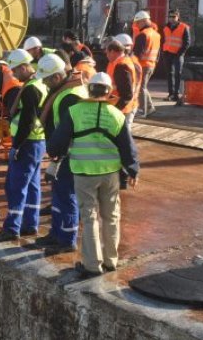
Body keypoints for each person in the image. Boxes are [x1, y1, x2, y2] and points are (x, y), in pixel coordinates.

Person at [47, 72, 139, 277]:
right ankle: (110, 261)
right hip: (110, 174)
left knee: (89, 218)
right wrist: (133, 170)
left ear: (89, 89)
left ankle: (92, 265)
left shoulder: (74, 111)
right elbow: (128, 146)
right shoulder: (117, 115)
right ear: (108, 92)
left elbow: (58, 141)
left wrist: (54, 154)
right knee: (111, 216)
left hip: (84, 172)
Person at [0, 52, 52, 243]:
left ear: (24, 66)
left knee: (16, 186)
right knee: (33, 186)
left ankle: (12, 227)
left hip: (27, 143)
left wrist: (16, 146)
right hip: (38, 142)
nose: (14, 75)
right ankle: (30, 224)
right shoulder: (40, 84)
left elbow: (27, 121)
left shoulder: (31, 89)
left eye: (15, 70)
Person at [32, 54, 89, 254]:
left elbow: (68, 131)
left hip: (70, 154)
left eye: (47, 80)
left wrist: (57, 155)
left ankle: (67, 239)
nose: (45, 84)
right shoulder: (64, 92)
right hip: (62, 153)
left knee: (67, 196)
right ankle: (56, 233)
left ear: (57, 77)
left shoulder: (70, 96)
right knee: (58, 195)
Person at [104, 40, 139, 129]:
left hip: (123, 109)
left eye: (107, 53)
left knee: (122, 136)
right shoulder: (122, 62)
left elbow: (127, 94)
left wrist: (115, 109)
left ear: (112, 52)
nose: (106, 56)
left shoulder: (121, 66)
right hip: (123, 107)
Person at [132, 10, 161, 117]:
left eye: (138, 22)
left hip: (143, 65)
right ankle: (149, 107)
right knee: (144, 87)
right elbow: (158, 52)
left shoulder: (143, 35)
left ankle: (143, 111)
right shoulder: (156, 35)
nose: (137, 25)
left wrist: (132, 64)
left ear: (144, 21)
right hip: (151, 64)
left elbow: (137, 53)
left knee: (140, 87)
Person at [162, 8, 191, 103]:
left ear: (178, 17)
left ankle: (176, 94)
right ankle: (171, 94)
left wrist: (180, 53)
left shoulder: (184, 27)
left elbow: (187, 42)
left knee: (178, 74)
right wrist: (163, 51)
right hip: (167, 53)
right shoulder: (165, 27)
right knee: (170, 74)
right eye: (170, 17)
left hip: (178, 54)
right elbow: (164, 40)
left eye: (173, 16)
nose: (171, 18)